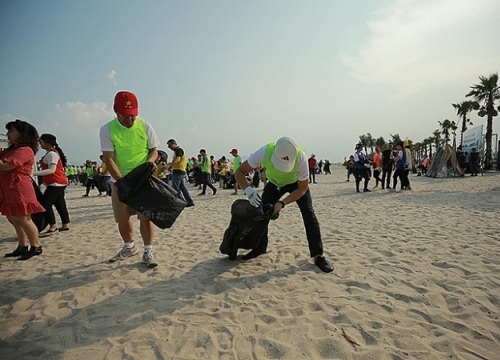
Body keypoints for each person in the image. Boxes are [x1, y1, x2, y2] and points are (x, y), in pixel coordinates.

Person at [234, 136, 333, 273]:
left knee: (309, 214)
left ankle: (318, 255)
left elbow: (302, 189)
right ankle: (260, 248)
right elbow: (239, 171)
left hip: (295, 185)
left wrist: (282, 202)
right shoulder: (264, 152)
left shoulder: (301, 158)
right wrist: (248, 190)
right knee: (262, 213)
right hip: (274, 184)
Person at [100, 91, 161, 268]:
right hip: (120, 180)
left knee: (145, 217)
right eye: (125, 116)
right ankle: (129, 246)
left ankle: (148, 250)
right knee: (122, 218)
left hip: (143, 181)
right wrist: (121, 182)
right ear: (115, 110)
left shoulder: (145, 126)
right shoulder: (107, 129)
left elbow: (154, 150)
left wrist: (150, 162)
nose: (130, 120)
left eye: (133, 115)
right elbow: (109, 158)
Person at [0, 119, 46, 260]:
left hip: (19, 187)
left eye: (11, 131)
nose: (8, 134)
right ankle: (22, 246)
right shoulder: (12, 150)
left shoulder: (25, 150)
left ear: (22, 134)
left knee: (24, 219)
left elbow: (7, 166)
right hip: (9, 187)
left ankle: (36, 246)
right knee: (14, 218)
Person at [33, 133, 70, 233]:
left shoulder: (52, 154)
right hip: (58, 182)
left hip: (56, 183)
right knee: (60, 204)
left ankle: (53, 225)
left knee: (45, 204)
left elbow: (51, 170)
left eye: (41, 142)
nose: (40, 144)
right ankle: (65, 224)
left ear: (47, 142)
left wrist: (34, 173)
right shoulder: (52, 153)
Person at [166, 139, 194, 207]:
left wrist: (169, 165)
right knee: (182, 187)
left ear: (174, 144)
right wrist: (171, 166)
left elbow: (178, 160)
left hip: (178, 171)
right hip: (179, 171)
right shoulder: (176, 151)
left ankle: (180, 202)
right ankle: (189, 201)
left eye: (170, 146)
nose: (170, 148)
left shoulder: (179, 150)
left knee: (175, 188)